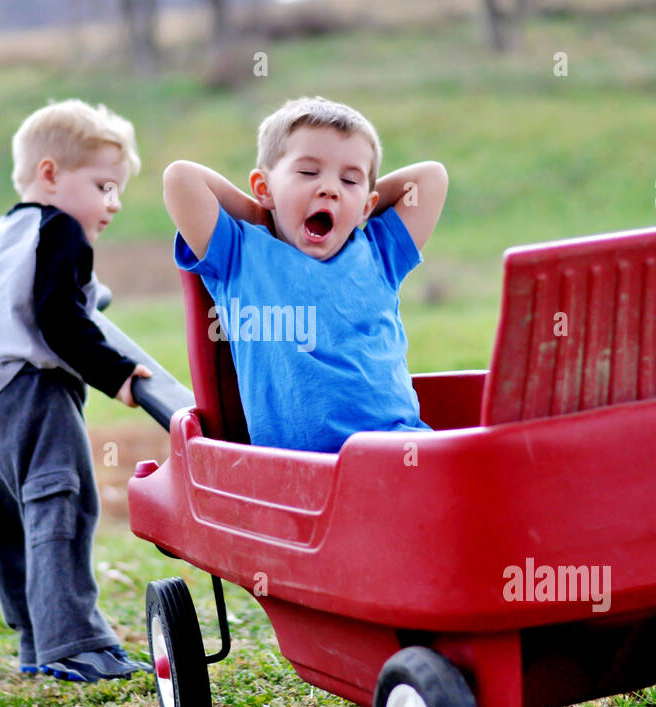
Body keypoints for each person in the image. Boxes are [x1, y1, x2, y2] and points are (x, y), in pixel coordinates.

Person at [0, 99, 152, 681]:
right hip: (35, 390)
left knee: (17, 516)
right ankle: (75, 643)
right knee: (60, 502)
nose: (113, 203)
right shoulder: (63, 231)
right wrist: (115, 373)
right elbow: (59, 321)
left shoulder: (1, 232)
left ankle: (35, 641)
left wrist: (76, 290)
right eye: (103, 185)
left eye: (117, 190)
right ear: (50, 174)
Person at [163, 95, 448, 453]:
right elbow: (180, 179)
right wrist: (265, 212)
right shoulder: (240, 253)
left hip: (398, 449)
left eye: (349, 179)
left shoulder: (377, 252)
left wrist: (358, 207)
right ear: (263, 187)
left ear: (368, 206)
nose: (329, 188)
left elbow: (431, 178)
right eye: (308, 172)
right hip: (300, 470)